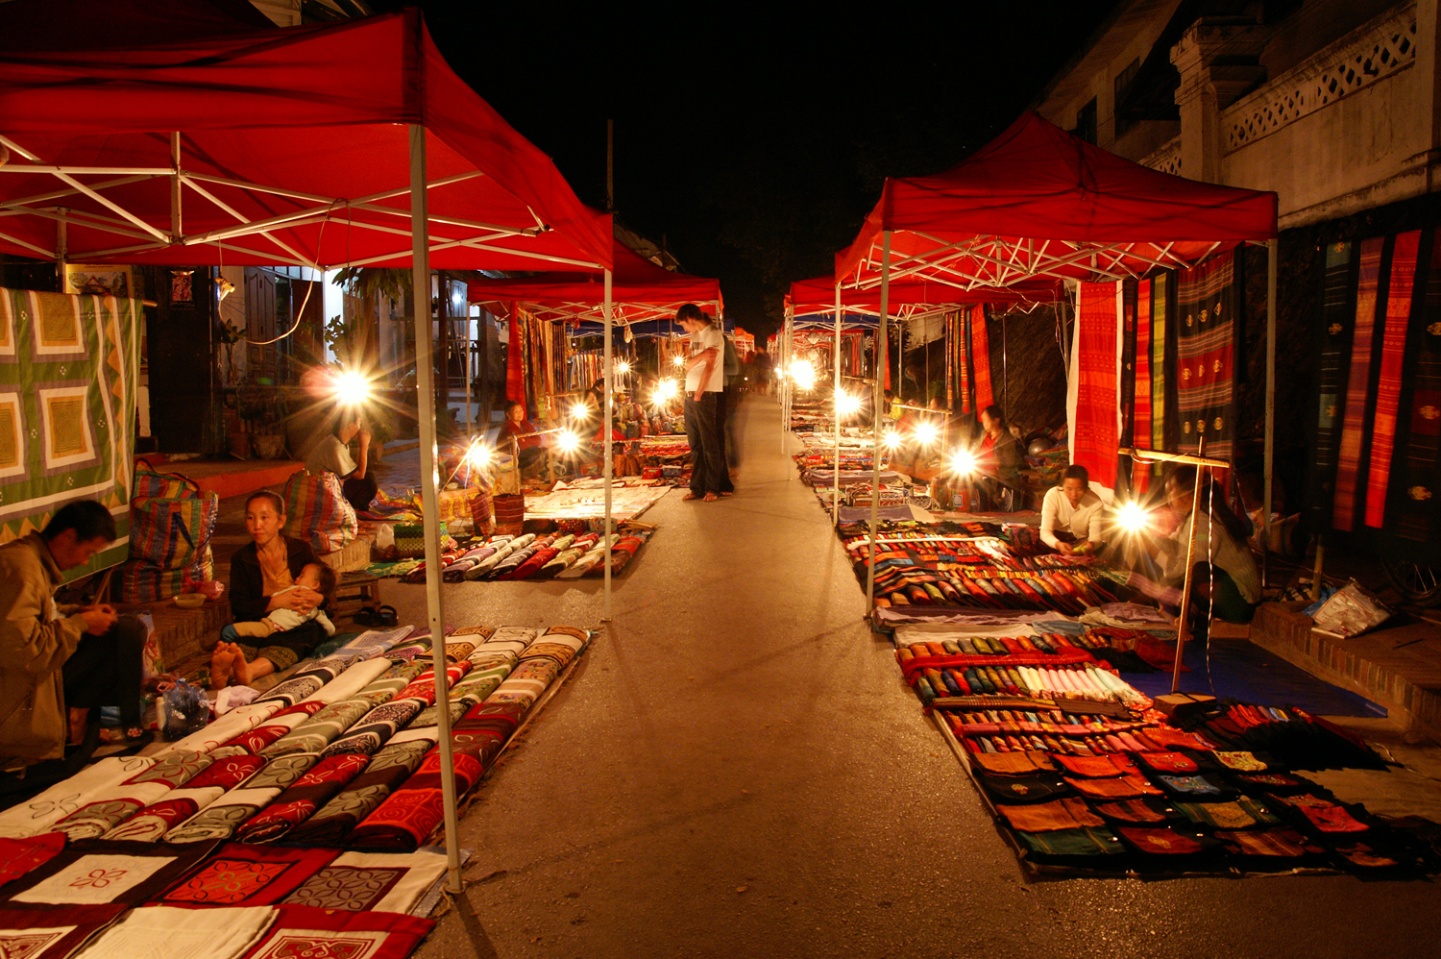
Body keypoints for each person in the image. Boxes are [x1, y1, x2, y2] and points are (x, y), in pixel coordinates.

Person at [0, 500, 146, 768]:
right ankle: (95, 721)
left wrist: (80, 611)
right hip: (18, 688)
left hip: (40, 661)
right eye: (87, 552)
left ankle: (115, 721)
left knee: (127, 628)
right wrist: (81, 623)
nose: (83, 561)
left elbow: (45, 613)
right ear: (68, 536)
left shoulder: (33, 561)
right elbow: (25, 651)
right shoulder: (22, 568)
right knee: (124, 632)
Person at [210, 491, 328, 691]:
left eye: (265, 518)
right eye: (250, 518)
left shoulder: (300, 550)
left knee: (306, 632)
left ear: (280, 521)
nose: (257, 525)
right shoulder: (242, 559)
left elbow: (325, 583)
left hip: (295, 624)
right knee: (246, 638)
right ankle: (226, 672)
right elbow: (240, 606)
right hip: (261, 621)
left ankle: (251, 671)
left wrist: (318, 598)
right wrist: (277, 602)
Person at [1152, 465, 1261, 624]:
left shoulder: (1202, 520)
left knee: (1196, 571)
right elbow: (1175, 545)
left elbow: (1187, 565)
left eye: (1171, 491)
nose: (1168, 499)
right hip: (1236, 598)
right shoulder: (1196, 517)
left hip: (1243, 605)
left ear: (1187, 492)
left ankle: (1185, 617)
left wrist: (1159, 585)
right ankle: (1180, 613)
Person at [676, 303, 726, 501]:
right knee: (695, 444)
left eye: (683, 325)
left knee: (708, 443)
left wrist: (698, 393)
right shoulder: (696, 337)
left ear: (689, 318)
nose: (684, 329)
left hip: (704, 394)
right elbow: (687, 365)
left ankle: (712, 488)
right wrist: (702, 355)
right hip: (690, 394)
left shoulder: (713, 335)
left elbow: (709, 368)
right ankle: (697, 487)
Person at [228, 562, 336, 642]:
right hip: (281, 627)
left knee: (254, 630)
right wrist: (331, 633)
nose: (297, 578)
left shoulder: (297, 590)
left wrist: (320, 598)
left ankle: (230, 632)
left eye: (301, 576)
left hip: (273, 624)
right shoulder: (316, 610)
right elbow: (327, 625)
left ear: (315, 585)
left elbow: (274, 596)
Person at [305, 410, 376, 513]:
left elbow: (354, 471)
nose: (359, 428)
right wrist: (364, 446)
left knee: (368, 476)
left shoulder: (338, 443)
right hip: (320, 492)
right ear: (351, 425)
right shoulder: (335, 447)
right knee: (369, 482)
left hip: (327, 486)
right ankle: (353, 511)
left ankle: (350, 508)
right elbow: (360, 475)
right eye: (358, 423)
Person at [1040, 464, 1105, 554]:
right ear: (1062, 486)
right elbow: (1045, 531)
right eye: (1069, 489)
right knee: (1023, 535)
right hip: (1055, 539)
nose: (1074, 494)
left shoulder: (1095, 502)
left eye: (1079, 489)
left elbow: (1096, 537)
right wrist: (1058, 544)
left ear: (1086, 488)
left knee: (1108, 548)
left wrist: (1091, 544)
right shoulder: (1053, 495)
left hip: (1080, 542)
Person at [976, 404, 1024, 510]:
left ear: (996, 420)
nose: (983, 423)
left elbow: (1009, 461)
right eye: (983, 420)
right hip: (980, 473)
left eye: (986, 420)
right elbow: (974, 449)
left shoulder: (1006, 439)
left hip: (998, 477)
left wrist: (992, 462)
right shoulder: (984, 435)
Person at [498, 400, 545, 473]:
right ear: (508, 414)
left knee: (544, 451)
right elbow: (520, 445)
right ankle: (525, 477)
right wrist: (529, 441)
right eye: (516, 412)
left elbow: (538, 440)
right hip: (511, 457)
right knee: (536, 452)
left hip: (524, 453)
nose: (520, 413)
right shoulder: (508, 426)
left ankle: (533, 475)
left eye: (521, 410)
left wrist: (526, 440)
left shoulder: (525, 423)